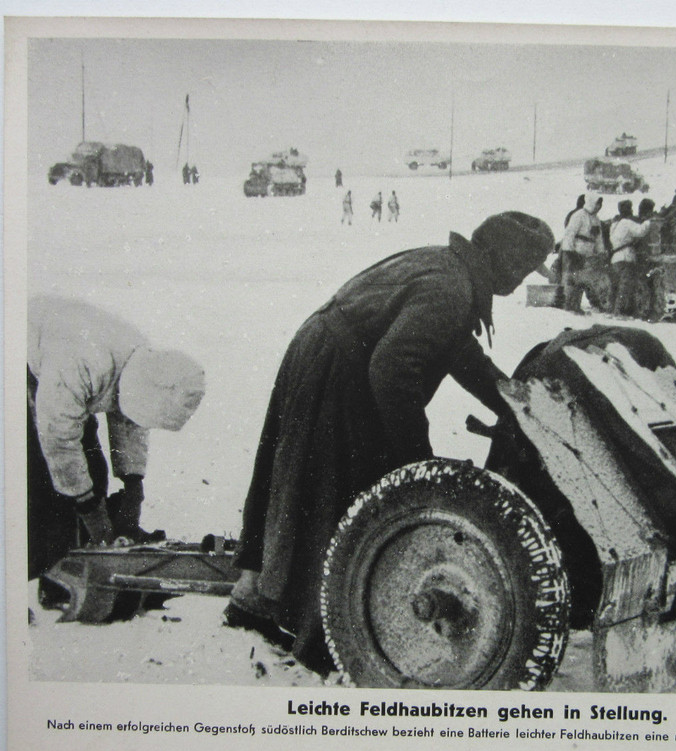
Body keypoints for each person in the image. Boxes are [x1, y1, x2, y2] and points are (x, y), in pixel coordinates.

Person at [223, 212, 555, 673]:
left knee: (296, 480)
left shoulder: (450, 270)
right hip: (338, 369)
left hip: (325, 352)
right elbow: (392, 370)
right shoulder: (451, 287)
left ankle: (256, 595)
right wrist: (415, 464)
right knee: (339, 493)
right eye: (521, 270)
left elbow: (457, 350)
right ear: (499, 259)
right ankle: (324, 636)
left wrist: (509, 400)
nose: (520, 283)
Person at [27, 296, 206, 580]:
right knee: (46, 483)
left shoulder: (143, 365)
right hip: (22, 356)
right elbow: (58, 438)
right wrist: (91, 512)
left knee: (92, 475)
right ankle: (48, 572)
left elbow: (132, 419)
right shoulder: (83, 363)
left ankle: (83, 554)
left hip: (70, 372)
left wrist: (133, 485)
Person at [559, 191, 605, 313]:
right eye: (596, 204)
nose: (598, 207)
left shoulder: (596, 219)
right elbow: (570, 234)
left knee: (583, 279)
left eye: (600, 205)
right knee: (572, 279)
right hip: (575, 251)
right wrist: (569, 251)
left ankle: (576, 305)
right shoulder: (578, 215)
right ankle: (570, 305)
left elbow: (598, 239)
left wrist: (601, 252)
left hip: (588, 254)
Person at [610, 199, 652, 316]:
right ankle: (620, 312)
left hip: (616, 258)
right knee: (625, 287)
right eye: (630, 208)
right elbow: (641, 231)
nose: (632, 210)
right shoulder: (626, 223)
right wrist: (649, 220)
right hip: (625, 257)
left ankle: (614, 310)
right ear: (627, 209)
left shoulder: (614, 224)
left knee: (617, 287)